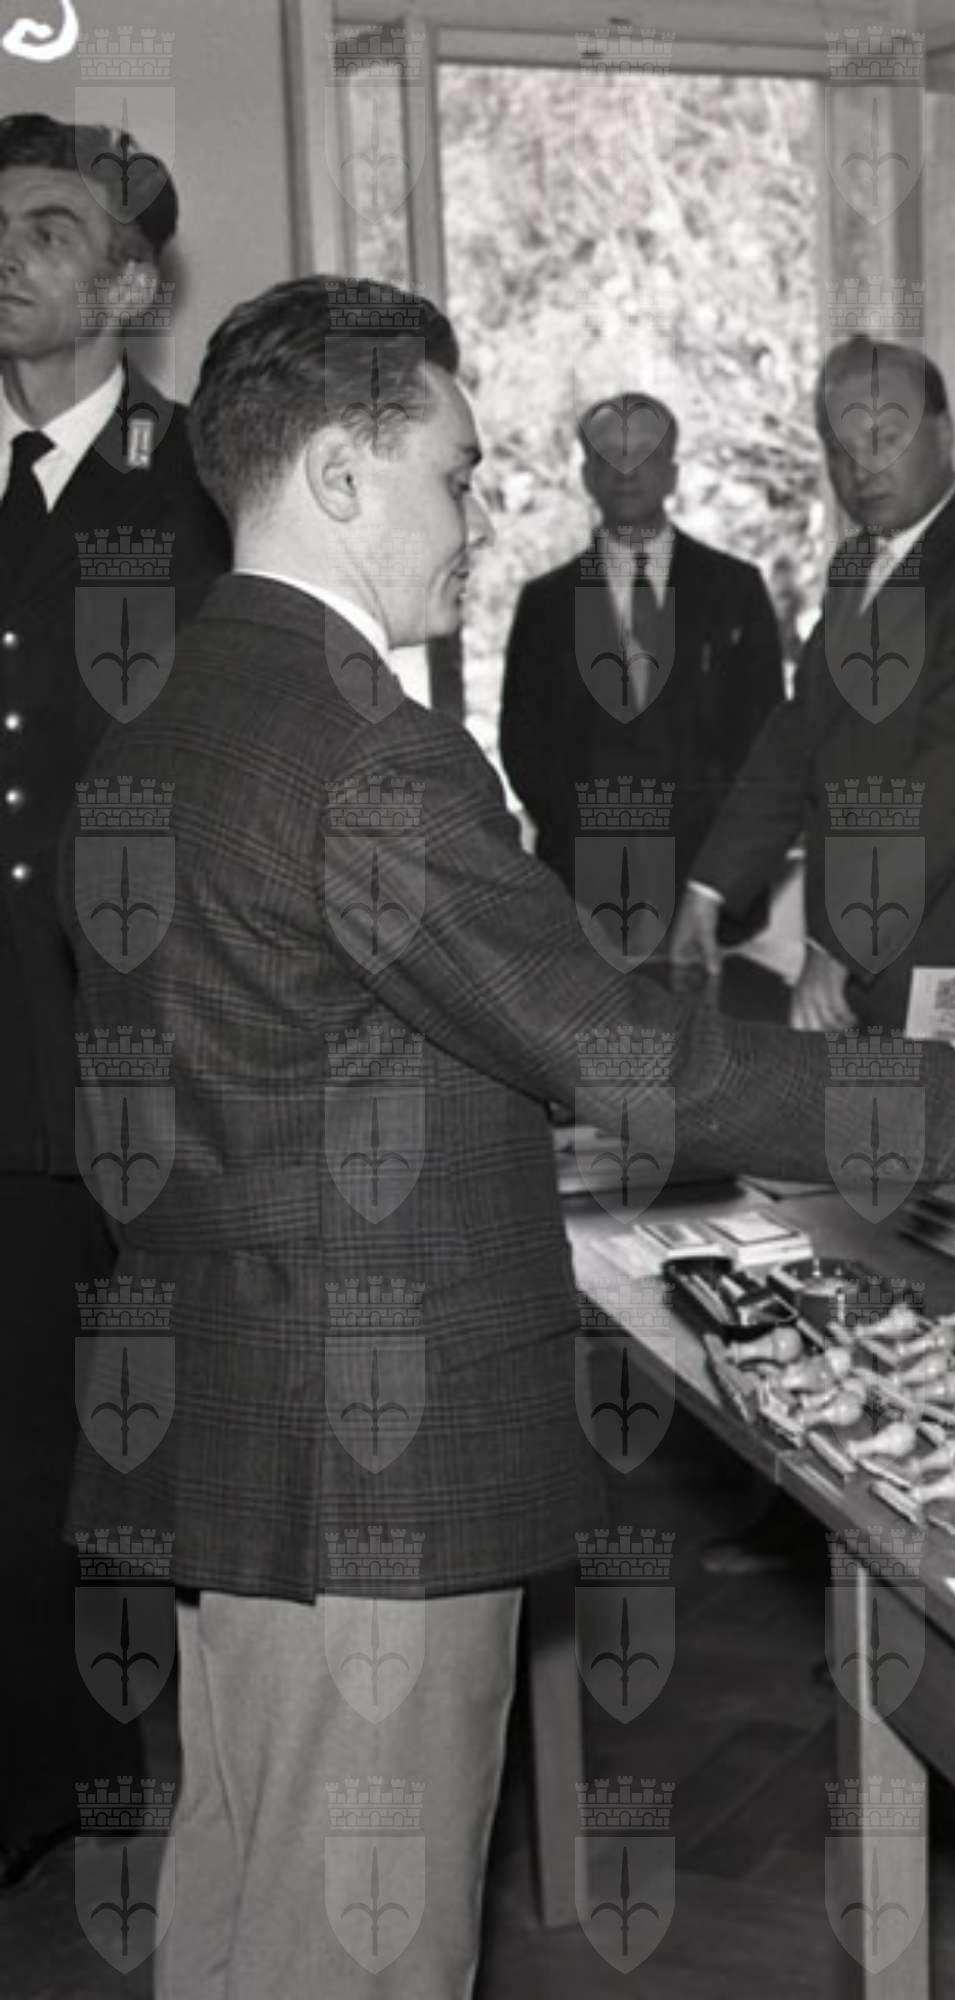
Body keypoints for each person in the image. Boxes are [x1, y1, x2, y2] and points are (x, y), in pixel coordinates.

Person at [59, 275, 955, 1996]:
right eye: (455, 476)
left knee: (239, 1908)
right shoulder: (367, 753)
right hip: (367, 1463)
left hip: (233, 1423)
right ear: (338, 473)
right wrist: (945, 1087)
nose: (476, 521)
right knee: (358, 1955)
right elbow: (621, 1055)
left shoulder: (167, 718)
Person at [0, 113, 229, 1890]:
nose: (8, 258)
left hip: (140, 1060)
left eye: (51, 230)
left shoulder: (200, 492)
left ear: (133, 284)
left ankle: (147, 1778)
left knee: (145, 1443)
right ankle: (37, 1784)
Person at [672, 337, 955, 1028]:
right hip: (854, 973)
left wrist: (842, 942)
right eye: (840, 450)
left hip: (936, 965)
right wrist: (710, 886)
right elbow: (799, 733)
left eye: (884, 439)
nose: (860, 469)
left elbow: (949, 789)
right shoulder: (856, 567)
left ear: (944, 435)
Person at [499, 392, 783, 952]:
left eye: (645, 455)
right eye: (609, 456)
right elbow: (523, 745)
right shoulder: (546, 603)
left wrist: (719, 872)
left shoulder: (735, 590)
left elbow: (765, 740)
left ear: (672, 473)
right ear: (587, 475)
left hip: (706, 891)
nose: (626, 471)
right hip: (582, 892)